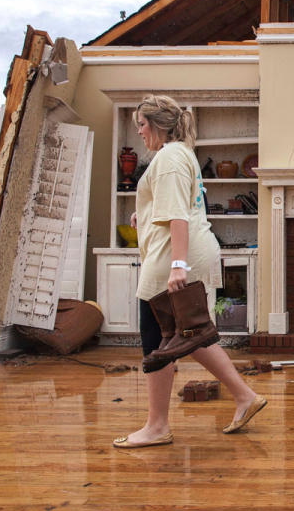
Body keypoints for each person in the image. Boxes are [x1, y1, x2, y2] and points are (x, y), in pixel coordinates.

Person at [113, 95, 266, 448]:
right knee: (187, 332)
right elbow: (180, 203)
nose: (139, 132)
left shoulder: (167, 158)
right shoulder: (181, 153)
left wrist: (178, 266)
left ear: (155, 125)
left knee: (157, 339)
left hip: (172, 256)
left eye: (141, 124)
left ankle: (156, 427)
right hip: (187, 250)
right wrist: (145, 214)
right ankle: (245, 396)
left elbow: (179, 215)